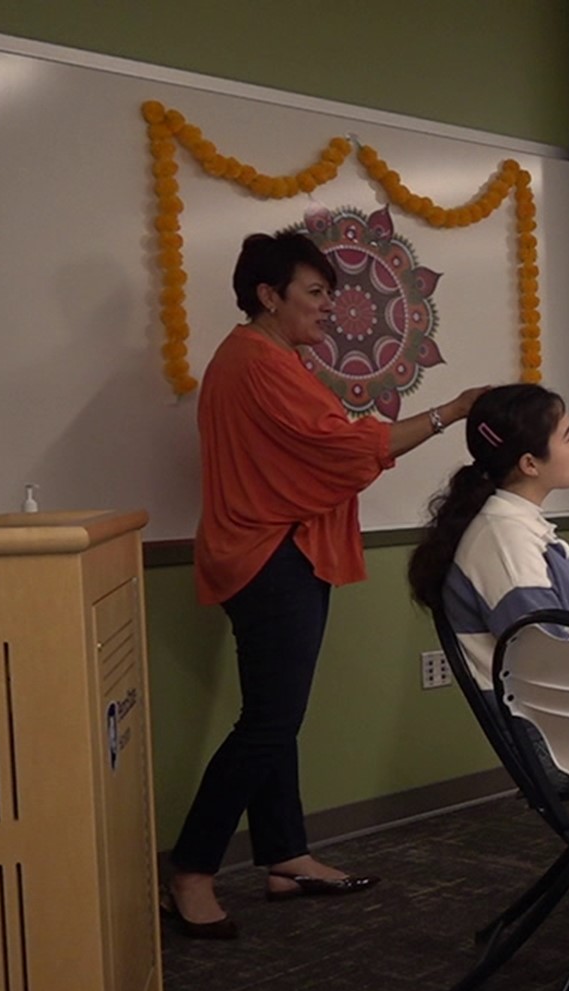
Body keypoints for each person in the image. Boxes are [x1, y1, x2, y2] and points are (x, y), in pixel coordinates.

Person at [165, 232, 484, 939]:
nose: (326, 312)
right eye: (314, 296)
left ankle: (284, 855)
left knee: (275, 715)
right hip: (268, 554)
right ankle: (190, 870)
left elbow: (324, 447)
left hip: (283, 550)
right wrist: (450, 411)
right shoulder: (255, 360)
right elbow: (343, 447)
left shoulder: (276, 358)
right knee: (269, 722)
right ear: (267, 296)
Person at [407, 383, 569, 694]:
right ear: (529, 464)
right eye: (568, 436)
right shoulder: (505, 541)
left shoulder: (516, 528)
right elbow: (551, 664)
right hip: (562, 729)